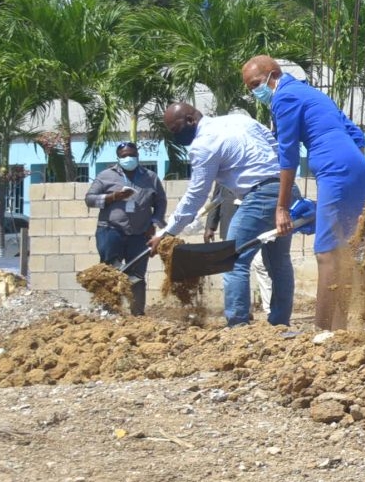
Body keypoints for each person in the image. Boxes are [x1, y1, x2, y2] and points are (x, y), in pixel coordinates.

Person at [243, 56, 365, 332]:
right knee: (342, 250)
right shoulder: (312, 93)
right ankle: (339, 330)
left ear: (273, 74)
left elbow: (288, 157)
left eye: (256, 84)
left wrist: (282, 208)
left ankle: (323, 331)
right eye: (250, 88)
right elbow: (356, 136)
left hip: (335, 169)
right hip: (357, 167)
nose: (255, 92)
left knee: (326, 253)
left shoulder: (284, 98)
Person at [155, 99, 293, 328]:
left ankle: (238, 325)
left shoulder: (203, 144)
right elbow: (276, 148)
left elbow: (196, 194)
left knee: (232, 260)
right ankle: (279, 324)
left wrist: (168, 231)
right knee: (278, 261)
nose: (175, 137)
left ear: (191, 120)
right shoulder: (240, 120)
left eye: (175, 130)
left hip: (259, 197)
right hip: (285, 190)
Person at [84, 141, 165, 315]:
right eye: (124, 156)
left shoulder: (150, 177)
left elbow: (160, 202)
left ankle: (137, 314)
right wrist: (113, 197)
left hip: (139, 234)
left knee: (137, 275)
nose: (128, 158)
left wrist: (154, 222)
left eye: (132, 155)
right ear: (118, 158)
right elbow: (89, 199)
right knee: (110, 271)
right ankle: (109, 312)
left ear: (137, 156)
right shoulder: (106, 176)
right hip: (111, 231)